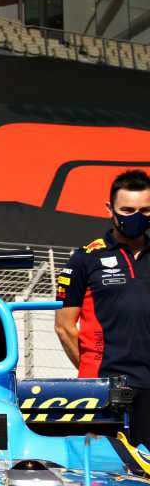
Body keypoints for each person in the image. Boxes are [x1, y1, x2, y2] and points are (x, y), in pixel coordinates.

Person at [55, 170, 150, 444]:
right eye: (128, 209)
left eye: (145, 210)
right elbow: (64, 326)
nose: (136, 216)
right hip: (104, 388)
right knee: (106, 473)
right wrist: (92, 373)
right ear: (110, 209)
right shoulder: (85, 259)